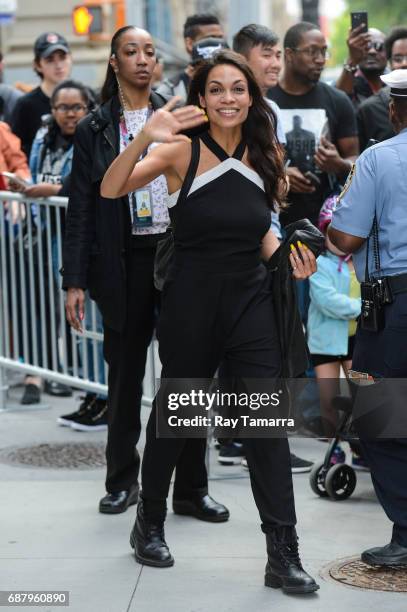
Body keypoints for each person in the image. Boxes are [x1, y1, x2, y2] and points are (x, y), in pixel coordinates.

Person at [101, 49, 319, 594]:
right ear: (201, 98)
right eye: (217, 89)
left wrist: (289, 257)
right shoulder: (178, 150)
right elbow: (111, 188)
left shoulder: (265, 153)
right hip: (191, 304)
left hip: (251, 305)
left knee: (267, 429)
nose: (228, 98)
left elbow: (263, 231)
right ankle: (149, 521)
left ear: (251, 98)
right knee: (180, 418)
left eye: (238, 89)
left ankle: (283, 551)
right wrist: (145, 136)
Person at [63, 26, 228, 521]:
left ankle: (192, 488)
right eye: (130, 52)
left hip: (177, 256)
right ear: (114, 62)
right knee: (126, 376)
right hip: (122, 262)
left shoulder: (181, 117)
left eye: (149, 52)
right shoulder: (95, 128)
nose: (142, 60)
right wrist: (74, 279)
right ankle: (120, 481)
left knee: (187, 375)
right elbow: (81, 209)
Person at [329, 68, 407, 567]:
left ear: (395, 109)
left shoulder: (380, 159)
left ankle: (405, 532)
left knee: (383, 418)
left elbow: (345, 239)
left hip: (398, 306)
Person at [232, 22, 313, 475]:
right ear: (243, 57)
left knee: (277, 348)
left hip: (270, 244)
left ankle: (263, 439)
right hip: (230, 255)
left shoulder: (271, 112)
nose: (275, 63)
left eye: (277, 54)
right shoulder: (223, 111)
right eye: (267, 54)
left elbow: (273, 181)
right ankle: (234, 437)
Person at [10, 80, 95, 406]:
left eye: (77, 107)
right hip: (43, 232)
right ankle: (46, 372)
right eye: (62, 107)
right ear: (53, 110)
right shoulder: (44, 136)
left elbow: (87, 181)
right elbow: (33, 170)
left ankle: (87, 382)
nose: (70, 114)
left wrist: (56, 191)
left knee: (79, 311)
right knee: (41, 307)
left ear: (88, 108)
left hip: (77, 235)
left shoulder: (93, 136)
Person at [268, 21, 359, 229]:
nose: (320, 60)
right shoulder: (264, 100)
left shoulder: (338, 100)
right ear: (289, 55)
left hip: (325, 226)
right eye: (312, 52)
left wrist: (338, 164)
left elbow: (355, 160)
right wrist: (280, 173)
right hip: (272, 226)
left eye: (324, 52)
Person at [11, 32, 72, 158]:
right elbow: (14, 151)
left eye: (62, 57)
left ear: (71, 58)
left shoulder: (87, 98)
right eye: (50, 60)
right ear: (38, 65)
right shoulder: (25, 105)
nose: (58, 65)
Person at [357, 26, 407, 151]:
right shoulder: (369, 109)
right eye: (398, 58)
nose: (404, 63)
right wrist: (350, 168)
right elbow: (356, 163)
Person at [156, 13, 224, 100]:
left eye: (220, 38)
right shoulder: (170, 90)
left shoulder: (234, 79)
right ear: (190, 44)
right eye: (210, 38)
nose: (218, 44)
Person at [336, 26, 387, 109]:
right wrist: (352, 60)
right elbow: (338, 103)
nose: (372, 51)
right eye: (366, 46)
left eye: (379, 46)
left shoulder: (393, 85)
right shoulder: (346, 84)